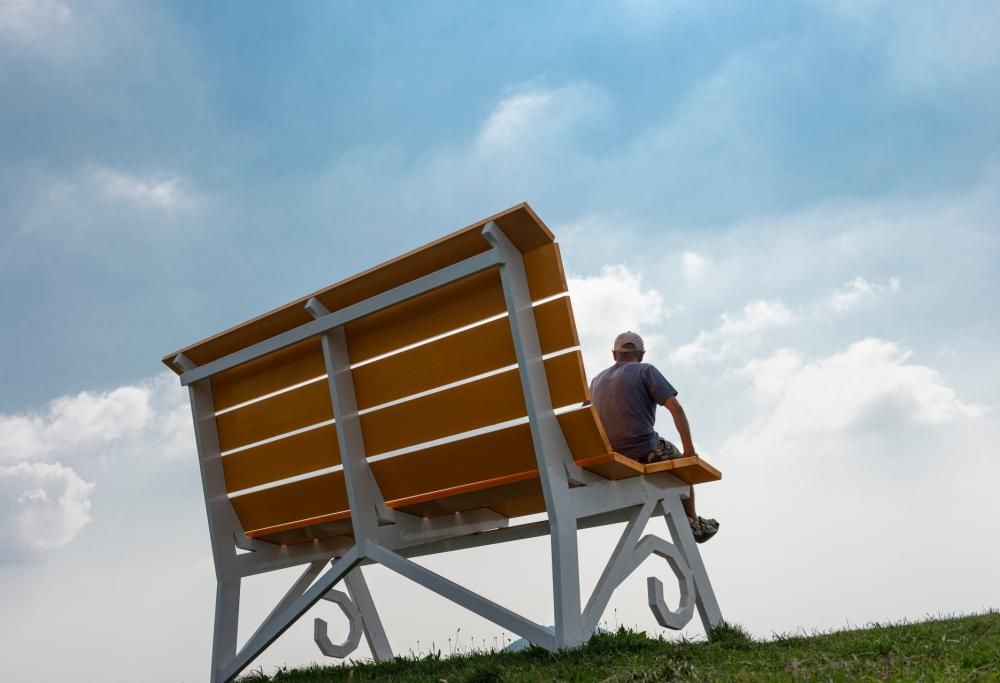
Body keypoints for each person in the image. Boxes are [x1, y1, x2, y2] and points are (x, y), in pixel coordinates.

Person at [589, 331, 719, 543]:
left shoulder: (595, 381)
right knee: (679, 463)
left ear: (614, 355)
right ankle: (693, 522)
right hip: (643, 450)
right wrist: (689, 452)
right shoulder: (646, 371)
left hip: (611, 458)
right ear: (641, 355)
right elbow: (675, 408)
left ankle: (691, 519)